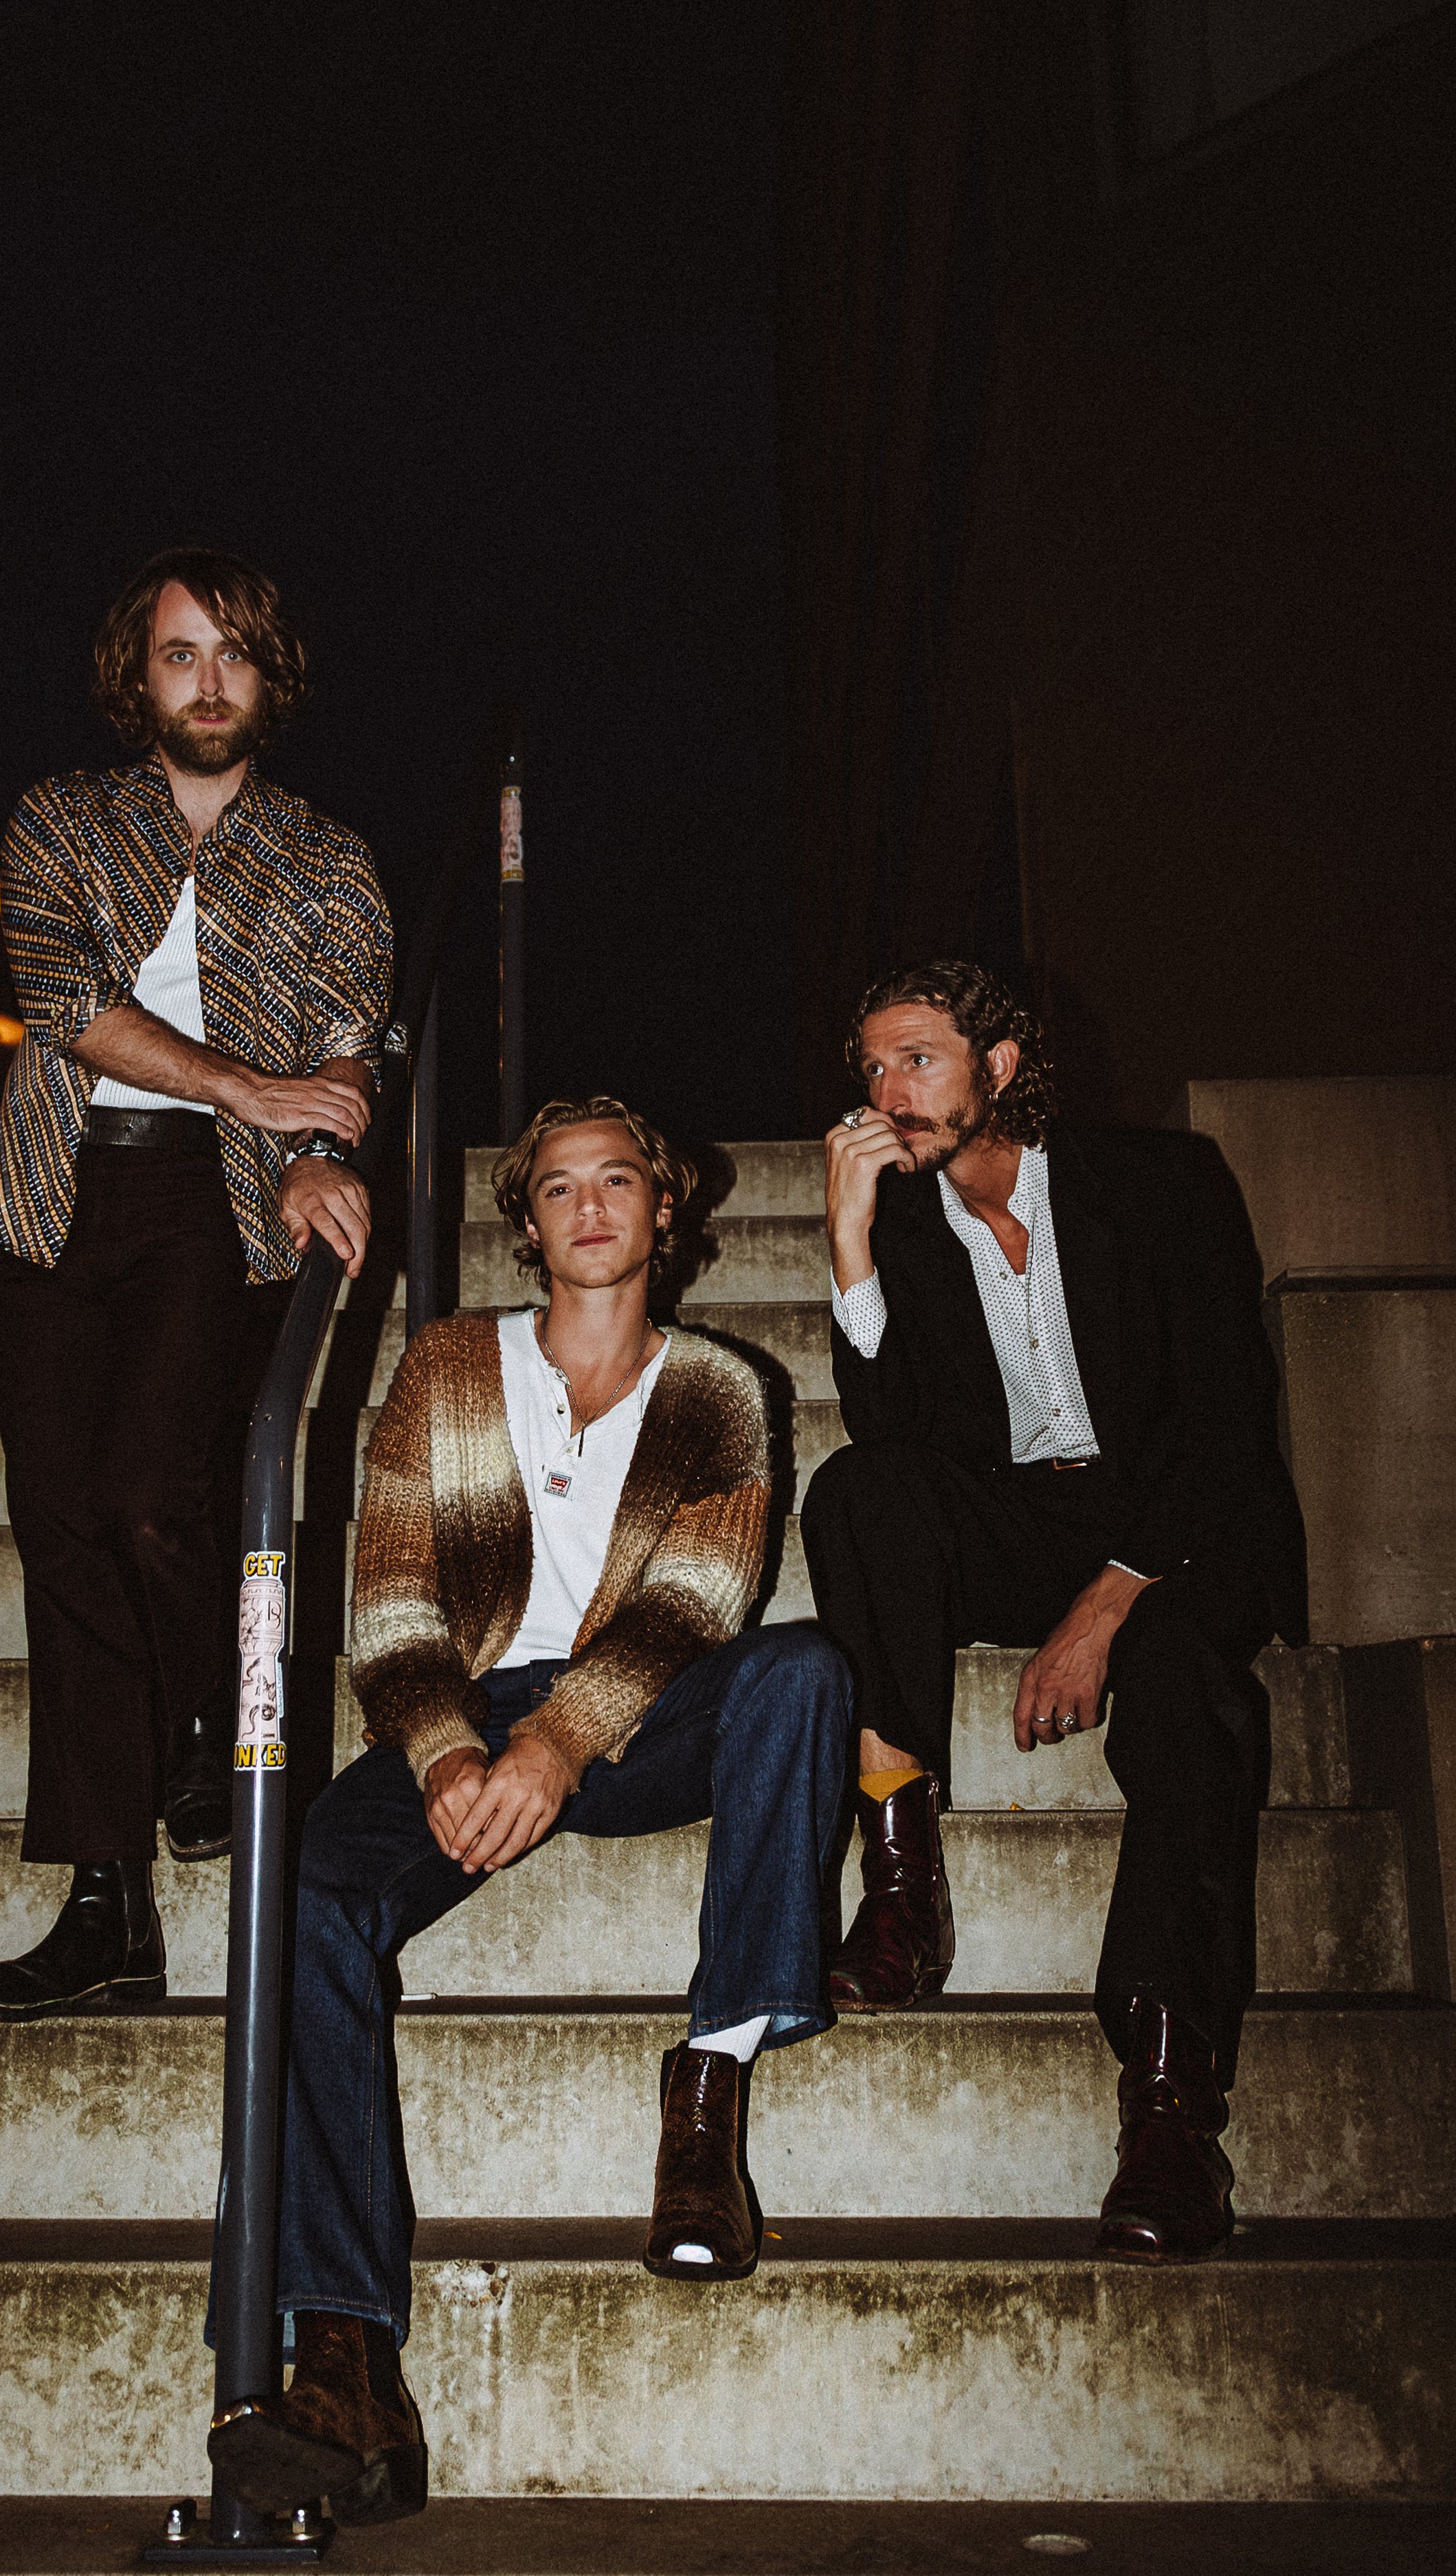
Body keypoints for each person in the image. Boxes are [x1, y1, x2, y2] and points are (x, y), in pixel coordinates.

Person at [207, 1097, 851, 2527]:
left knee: (802, 1670)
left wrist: (561, 1742)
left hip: (641, 1718)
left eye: (617, 1179)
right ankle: (343, 2360)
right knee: (300, 1892)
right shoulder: (445, 1366)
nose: (590, 1206)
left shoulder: (722, 1389)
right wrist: (448, 1754)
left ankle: (709, 2091)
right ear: (529, 1221)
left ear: (664, 1208)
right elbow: (387, 1596)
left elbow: (699, 1602)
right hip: (468, 1710)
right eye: (559, 1187)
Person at [0, 547, 392, 2020]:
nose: (207, 680)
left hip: (214, 1202)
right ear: (138, 676)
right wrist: (256, 1090)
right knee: (60, 1525)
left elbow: (348, 1038)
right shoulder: (62, 818)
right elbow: (63, 1000)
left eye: (232, 653)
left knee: (149, 1492)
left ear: (271, 675)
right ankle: (105, 1905)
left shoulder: (328, 859)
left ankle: (205, 1712)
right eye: (180, 653)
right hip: (54, 1193)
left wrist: (311, 1143)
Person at [799, 961, 1306, 2263]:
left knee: (1188, 1691)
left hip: (1180, 1528)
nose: (888, 1091)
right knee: (857, 1493)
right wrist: (851, 1242)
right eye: (872, 1068)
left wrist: (1107, 1604)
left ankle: (1170, 2110)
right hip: (1028, 1519)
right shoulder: (909, 1227)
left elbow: (1225, 1425)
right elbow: (898, 1447)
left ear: (1003, 1065)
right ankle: (901, 1890)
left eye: (918, 1058)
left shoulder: (1163, 1183)